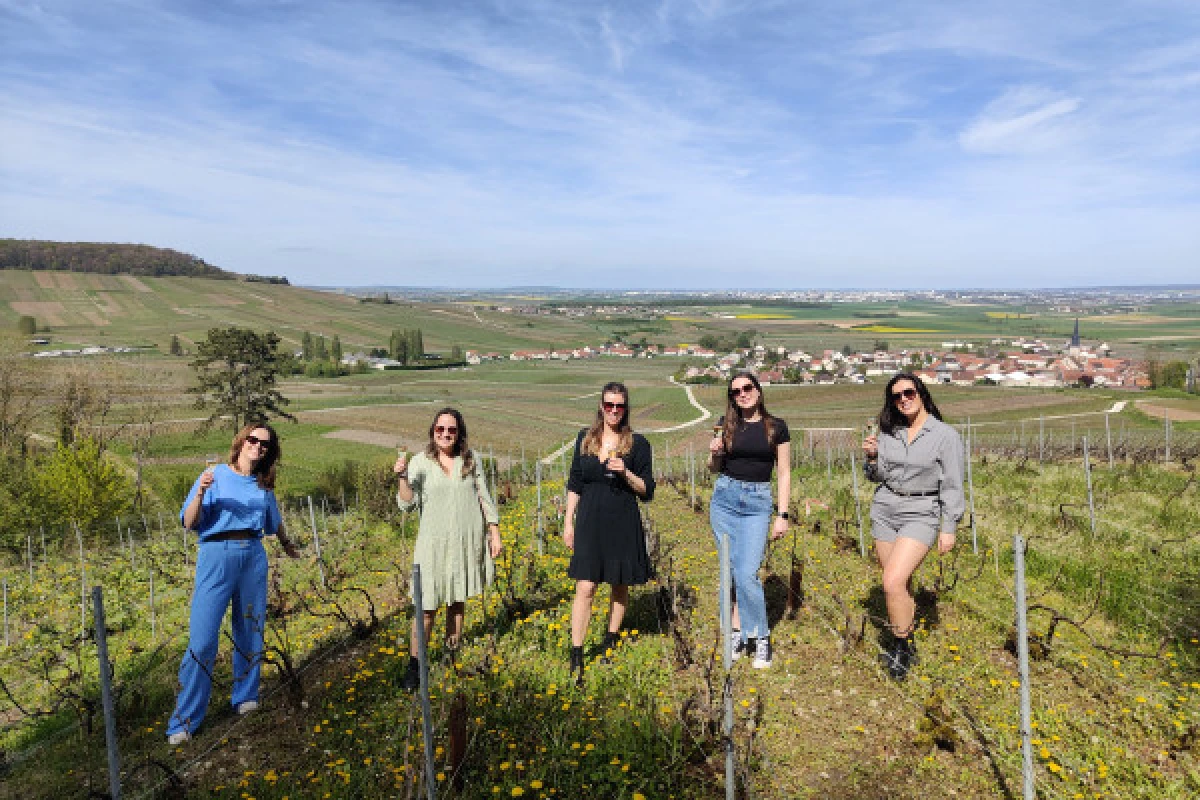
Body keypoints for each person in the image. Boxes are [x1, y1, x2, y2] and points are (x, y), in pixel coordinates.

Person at [167, 422, 300, 745]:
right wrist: (200, 490)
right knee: (202, 639)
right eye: (253, 440)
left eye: (265, 444)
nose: (258, 446)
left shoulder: (263, 484)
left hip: (252, 555)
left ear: (269, 452)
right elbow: (189, 521)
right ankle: (184, 720)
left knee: (250, 628)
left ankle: (244, 695)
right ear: (241, 442)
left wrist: (286, 544)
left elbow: (273, 519)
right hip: (216, 554)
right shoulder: (213, 475)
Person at [862, 373, 964, 681]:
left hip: (922, 511)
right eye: (897, 396)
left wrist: (949, 526)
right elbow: (876, 477)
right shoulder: (888, 433)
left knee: (891, 581)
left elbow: (953, 484)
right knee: (899, 583)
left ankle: (901, 646)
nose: (904, 399)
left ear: (921, 393)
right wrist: (872, 458)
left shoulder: (945, 435)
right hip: (885, 509)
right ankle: (906, 638)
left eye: (909, 392)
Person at [395, 408, 502, 690]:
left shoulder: (470, 459)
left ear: (459, 433)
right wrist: (402, 477)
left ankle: (451, 653)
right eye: (440, 429)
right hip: (433, 546)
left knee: (457, 599)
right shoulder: (419, 462)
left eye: (451, 430)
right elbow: (406, 503)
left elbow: (484, 496)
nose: (445, 434)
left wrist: (495, 532)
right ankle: (415, 665)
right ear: (433, 432)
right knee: (426, 607)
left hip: (466, 541)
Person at [563, 382, 655, 684]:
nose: (614, 411)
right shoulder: (584, 439)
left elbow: (647, 490)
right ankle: (577, 651)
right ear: (601, 406)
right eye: (608, 405)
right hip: (590, 520)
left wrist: (625, 472)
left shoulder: (638, 444)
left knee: (618, 583)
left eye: (619, 406)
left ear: (626, 409)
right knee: (585, 586)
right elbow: (575, 482)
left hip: (622, 520)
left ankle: (611, 638)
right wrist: (568, 522)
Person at [707, 372, 792, 669]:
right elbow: (714, 468)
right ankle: (736, 633)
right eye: (736, 391)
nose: (742, 394)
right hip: (725, 499)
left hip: (757, 503)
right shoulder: (726, 424)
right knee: (730, 571)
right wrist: (714, 453)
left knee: (747, 574)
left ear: (758, 390)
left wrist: (782, 515)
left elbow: (783, 473)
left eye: (747, 388)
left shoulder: (776, 427)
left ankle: (760, 637)